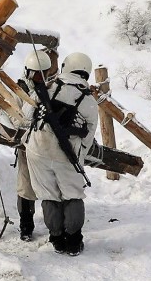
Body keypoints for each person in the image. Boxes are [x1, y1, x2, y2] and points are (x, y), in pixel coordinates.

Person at [23, 52, 98, 256]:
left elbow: (26, 114)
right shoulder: (88, 100)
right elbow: (88, 137)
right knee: (73, 194)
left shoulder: (47, 86)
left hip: (37, 149)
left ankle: (56, 239)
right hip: (67, 155)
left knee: (48, 194)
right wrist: (78, 157)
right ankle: (73, 242)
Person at [15, 48, 59, 242]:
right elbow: (15, 118)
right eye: (36, 73)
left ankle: (55, 227)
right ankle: (26, 226)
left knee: (50, 186)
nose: (40, 77)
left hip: (47, 145)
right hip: (27, 145)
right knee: (26, 187)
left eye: (43, 73)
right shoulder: (19, 89)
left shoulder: (54, 88)